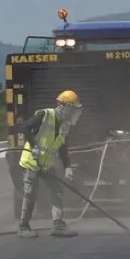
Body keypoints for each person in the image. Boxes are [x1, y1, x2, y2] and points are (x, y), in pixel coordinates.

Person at [16, 89, 83, 238]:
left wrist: (68, 168)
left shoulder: (65, 126)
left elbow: (63, 148)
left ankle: (58, 225)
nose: (73, 114)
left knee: (56, 190)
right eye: (72, 110)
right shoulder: (44, 115)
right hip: (31, 162)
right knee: (31, 193)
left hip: (46, 164)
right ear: (63, 106)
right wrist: (34, 146)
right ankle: (23, 227)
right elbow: (25, 128)